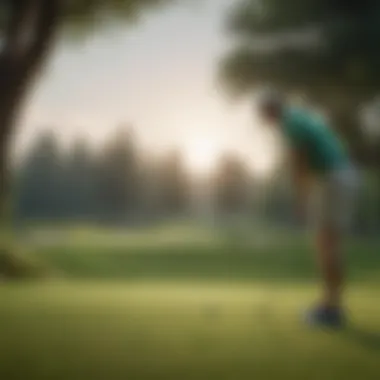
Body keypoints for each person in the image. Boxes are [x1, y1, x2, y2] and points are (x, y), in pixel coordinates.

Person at [257, 90, 358, 328]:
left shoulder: (289, 124)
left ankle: (330, 310)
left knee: (325, 244)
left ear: (271, 110)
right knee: (329, 244)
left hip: (331, 178)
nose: (263, 121)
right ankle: (333, 305)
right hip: (342, 175)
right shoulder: (298, 117)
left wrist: (301, 200)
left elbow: (298, 163)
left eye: (263, 114)